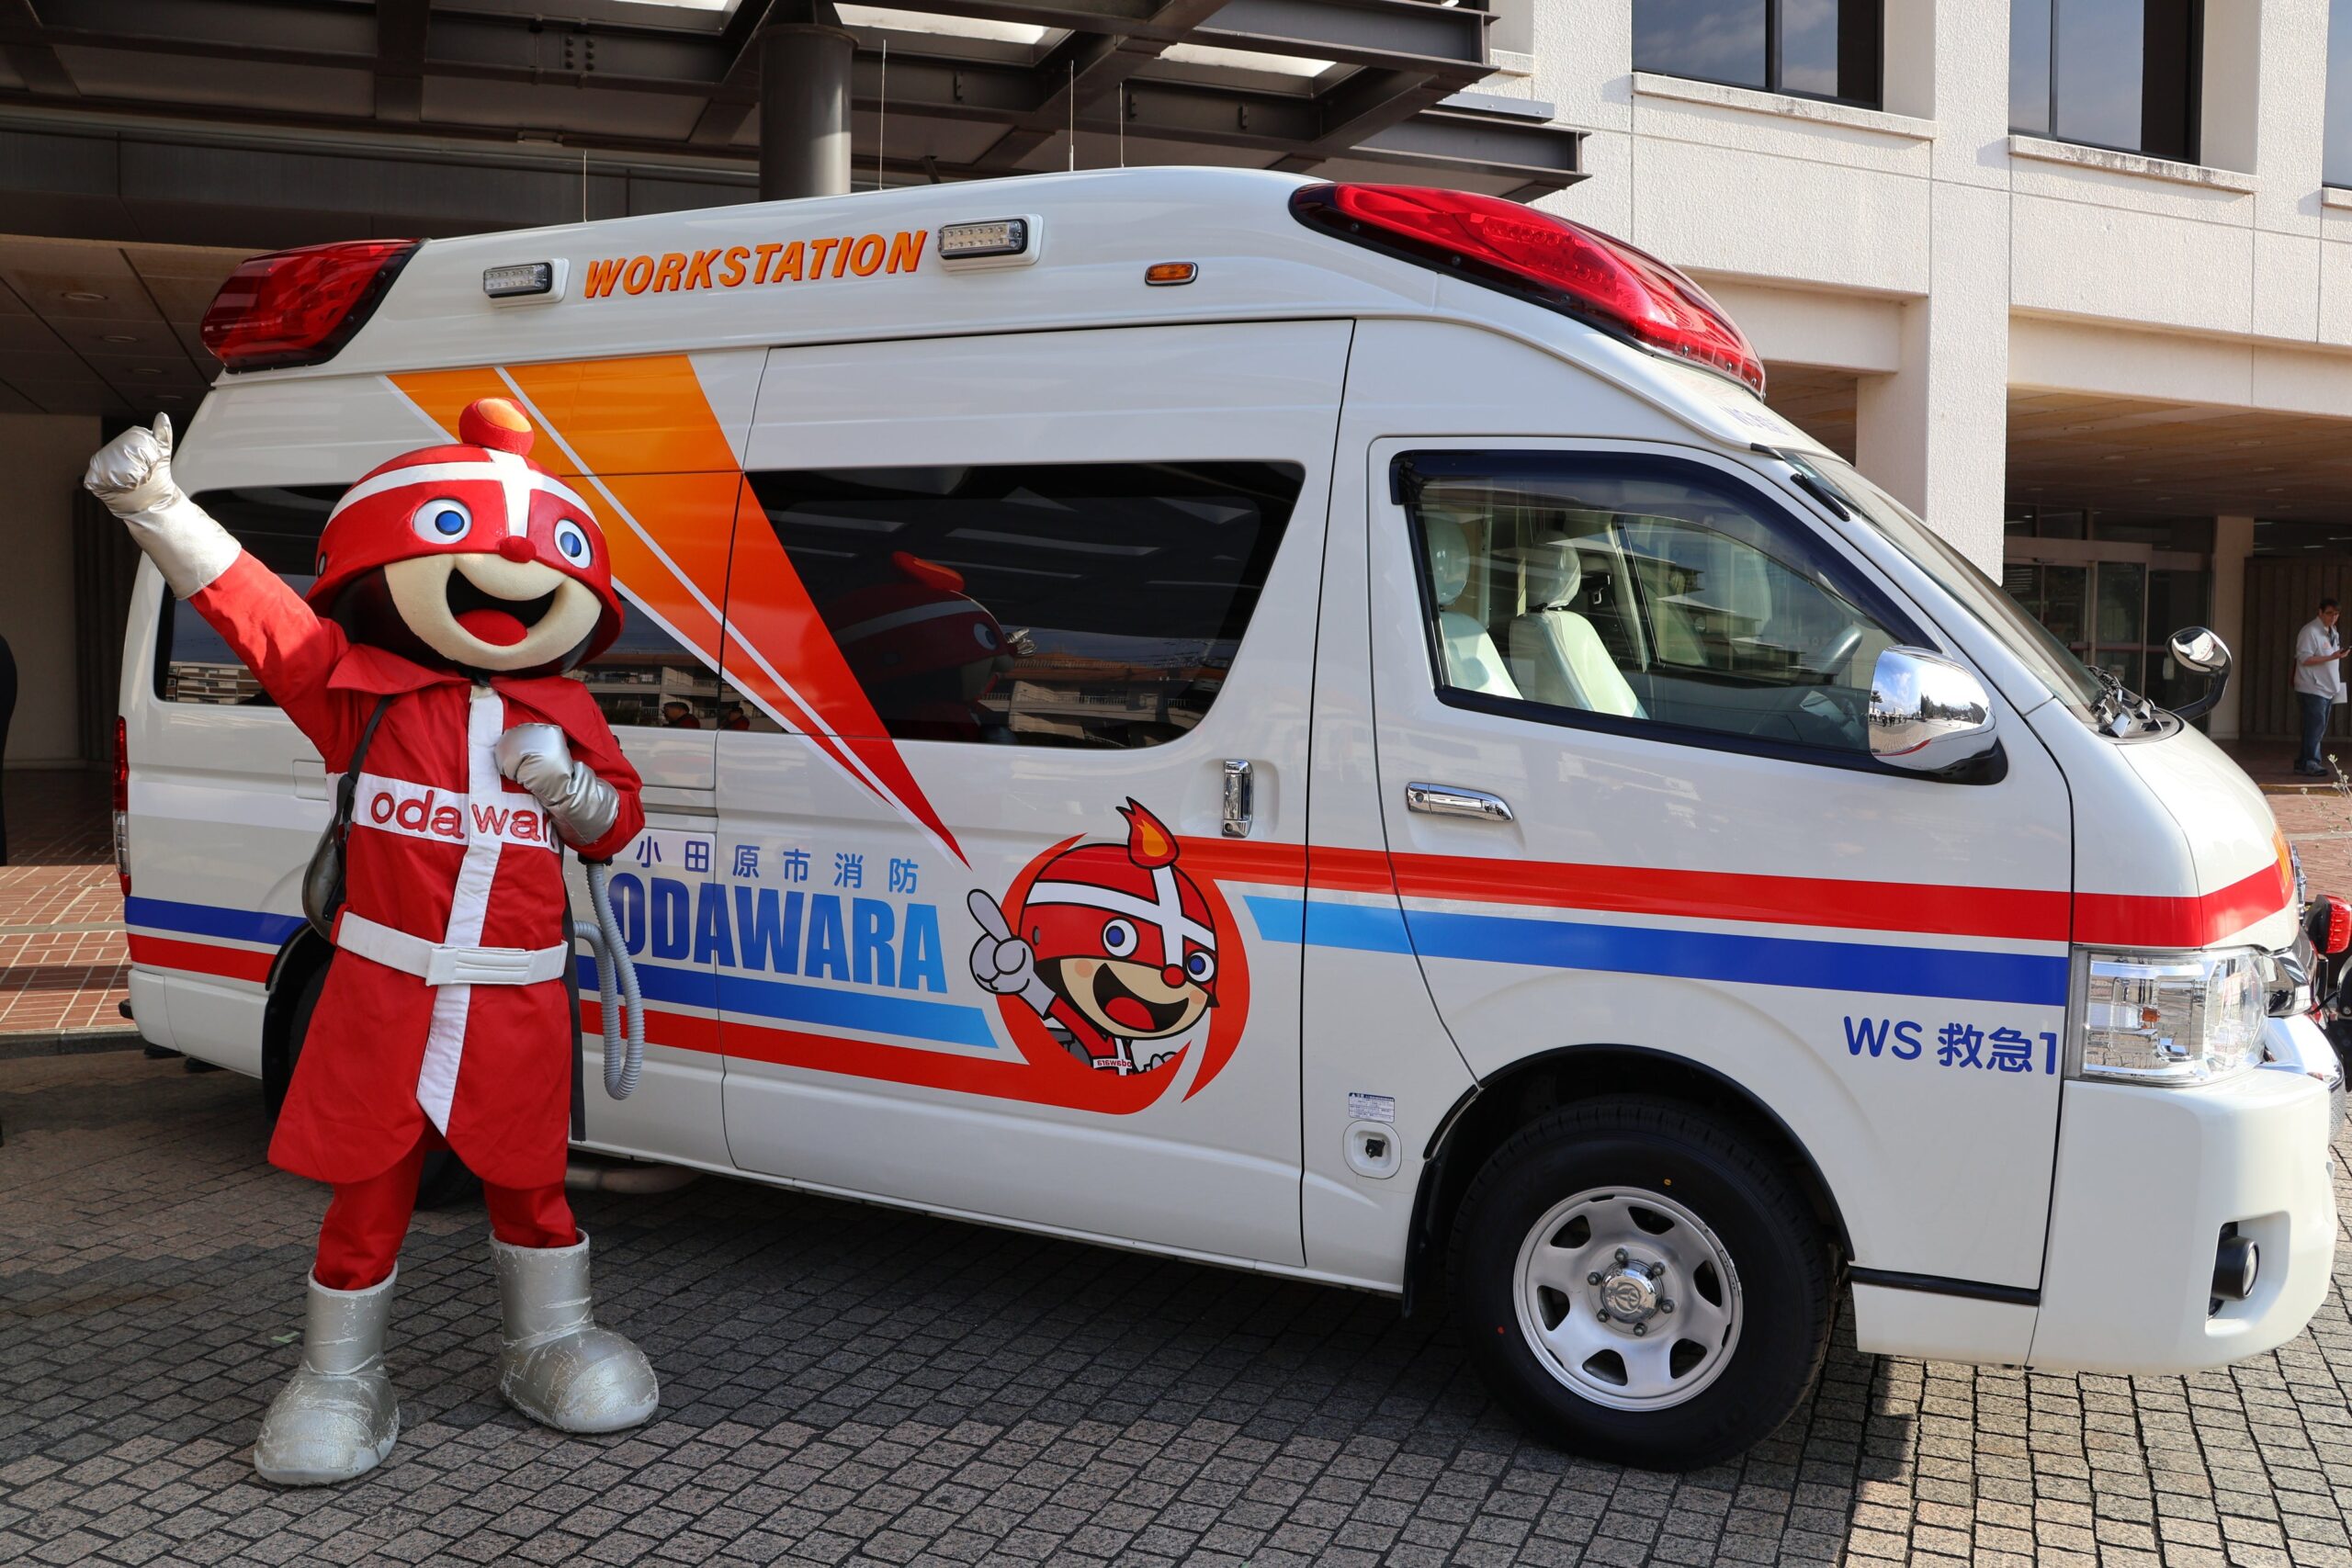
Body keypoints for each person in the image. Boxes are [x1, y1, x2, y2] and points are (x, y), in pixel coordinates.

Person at [83, 400, 659, 1484]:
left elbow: (616, 827)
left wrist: (569, 786)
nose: (510, 577)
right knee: (369, 1187)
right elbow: (261, 616)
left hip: (517, 997)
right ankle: (340, 1374)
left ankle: (548, 1342)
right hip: (386, 991)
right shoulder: (363, 698)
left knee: (532, 1184)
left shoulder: (570, 716)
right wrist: (156, 505)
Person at [2295, 597, 2349, 776]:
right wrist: (2331, 657)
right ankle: (2311, 762)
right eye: (2329, 613)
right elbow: (2304, 658)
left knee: (2316, 727)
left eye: (2336, 614)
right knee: (2315, 727)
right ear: (2320, 612)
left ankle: (2303, 762)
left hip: (2327, 687)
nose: (2333, 617)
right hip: (2312, 688)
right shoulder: (2310, 631)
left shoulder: (2332, 631)